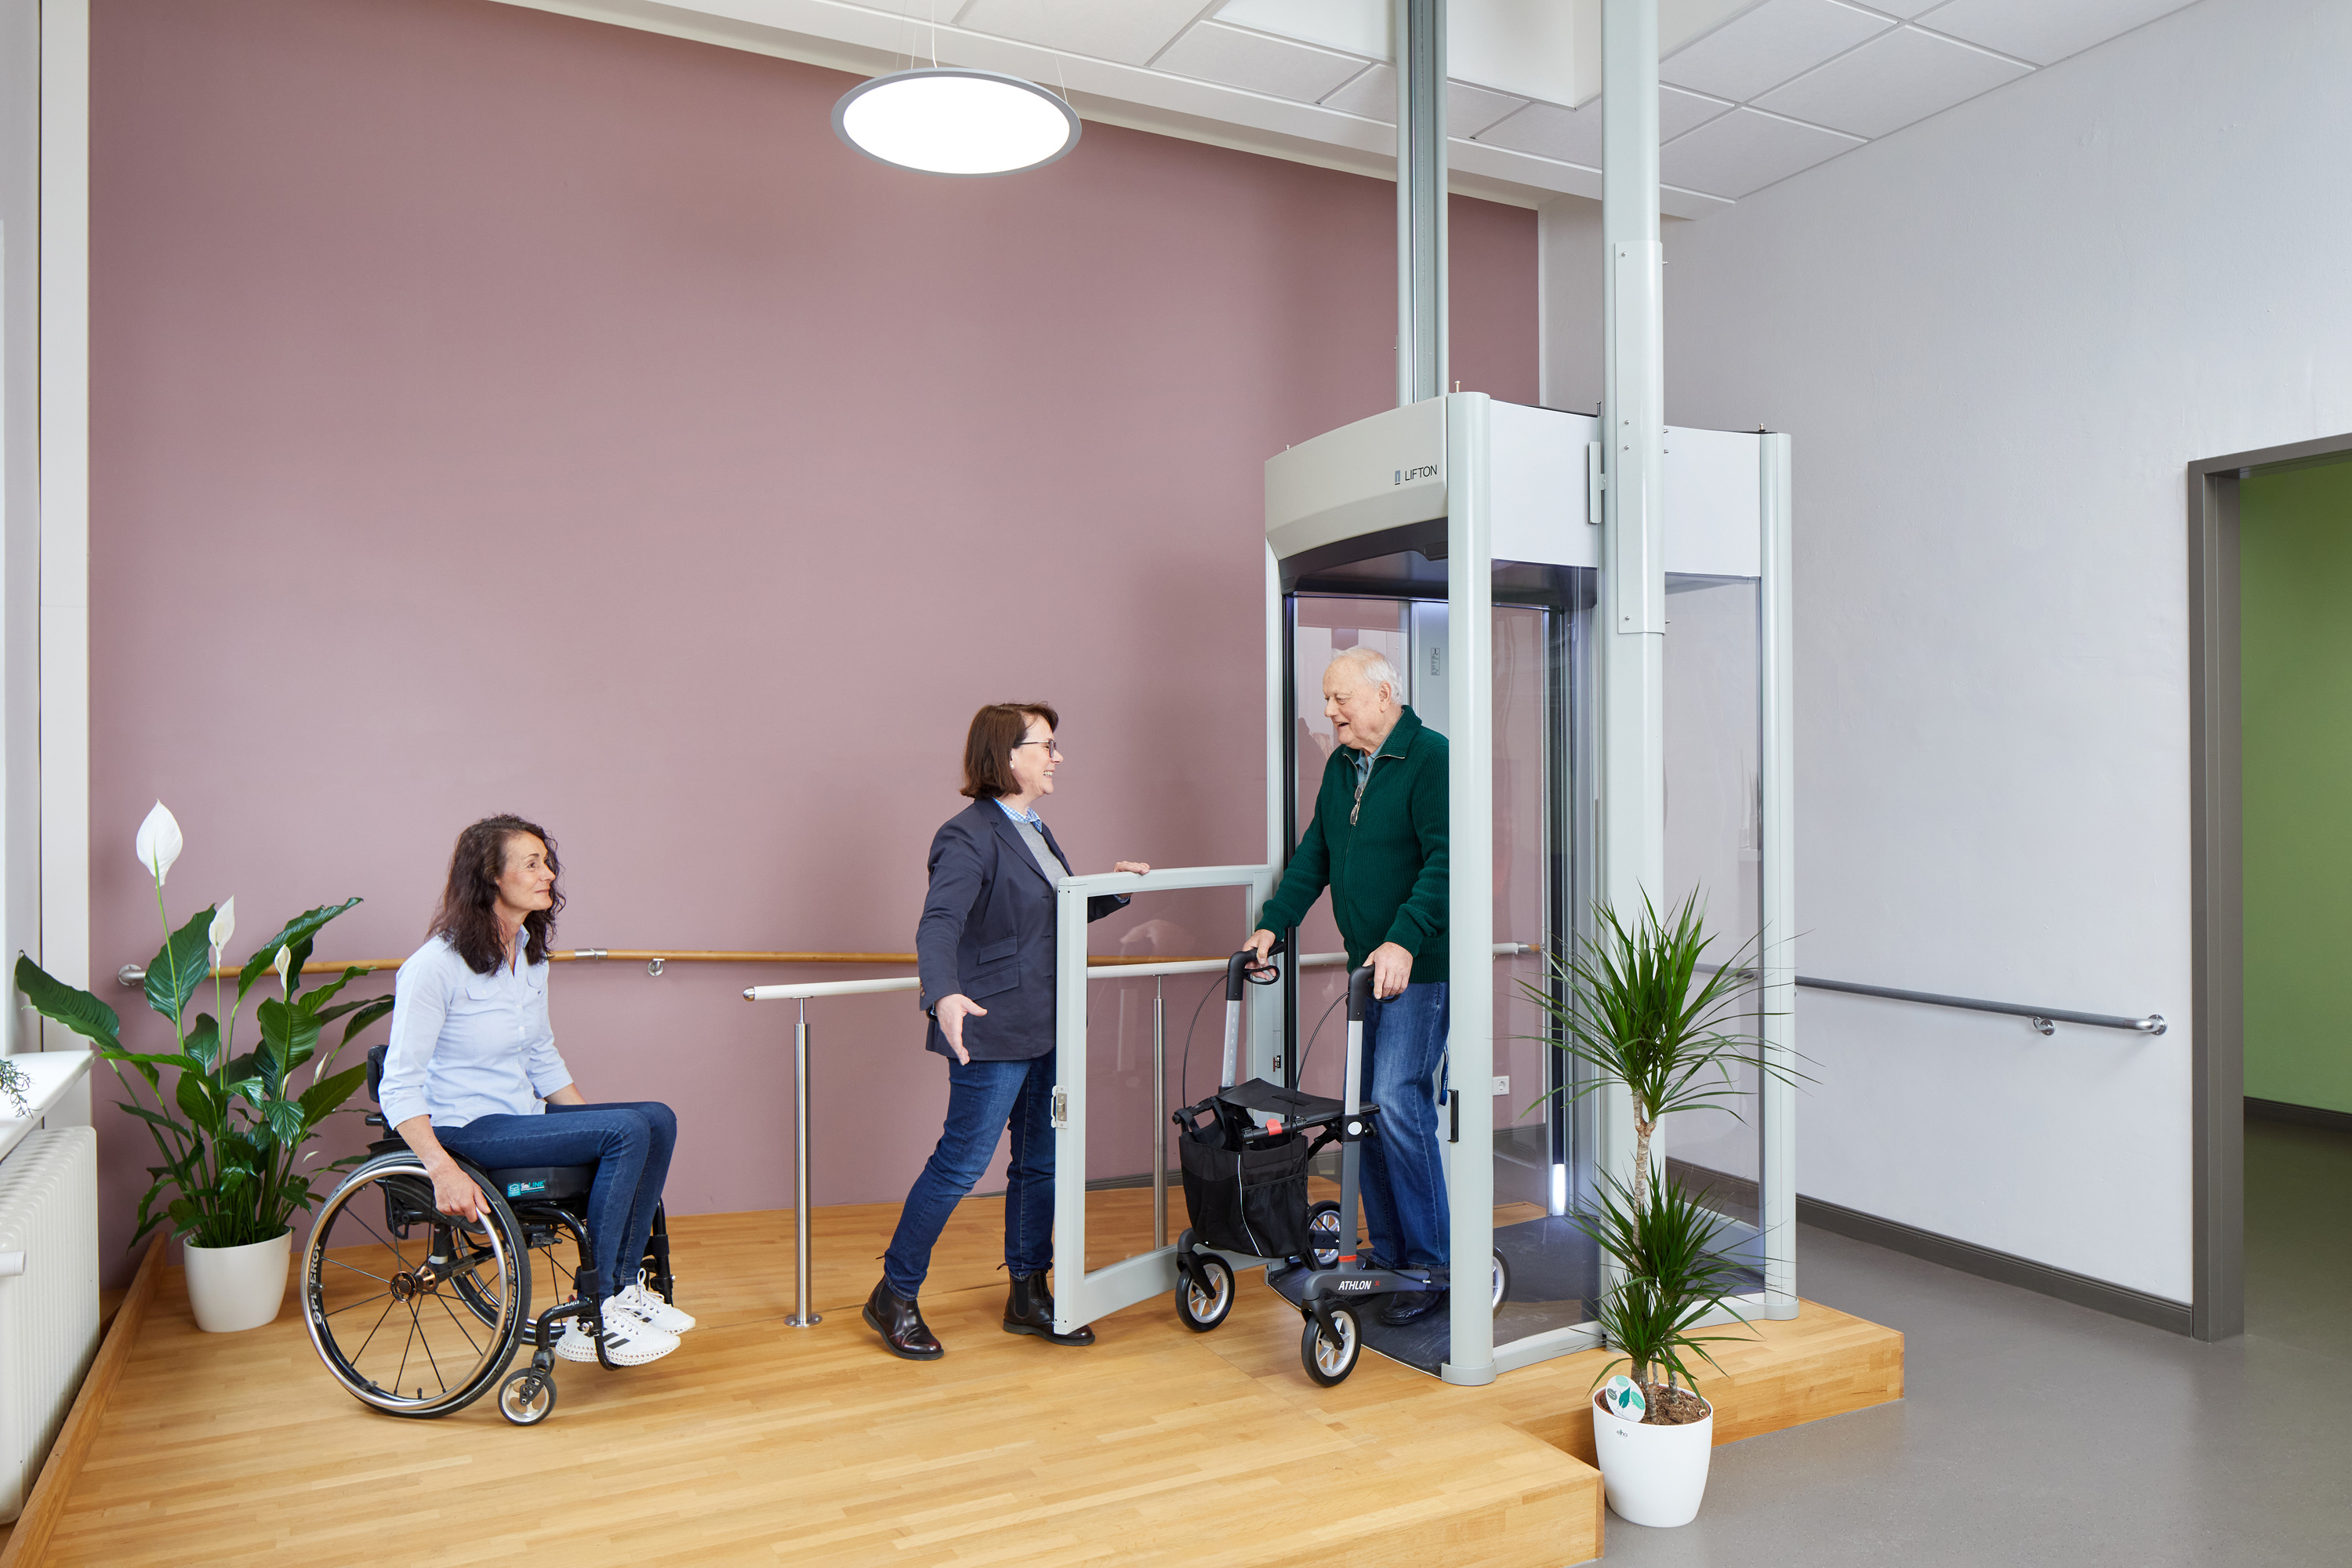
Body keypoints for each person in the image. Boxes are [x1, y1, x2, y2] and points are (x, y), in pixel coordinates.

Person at [864, 703, 1150, 1359]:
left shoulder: (1035, 829)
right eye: (1047, 745)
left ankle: (1028, 1292)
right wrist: (942, 993)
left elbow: (1052, 913)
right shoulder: (966, 836)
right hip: (992, 1029)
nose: (1056, 757)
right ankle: (895, 1293)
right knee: (962, 1164)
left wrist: (1111, 890)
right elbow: (939, 923)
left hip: (1049, 1029)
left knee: (1039, 1162)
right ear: (1009, 756)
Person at [379, 815, 691, 1367]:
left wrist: (591, 1131)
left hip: (518, 1121)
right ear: (491, 877)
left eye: (547, 862)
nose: (548, 874)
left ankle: (619, 1289)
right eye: (532, 863)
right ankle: (600, 1301)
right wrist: (441, 1168)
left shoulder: (526, 956)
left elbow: (541, 1057)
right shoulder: (433, 967)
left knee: (656, 1119)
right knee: (624, 1130)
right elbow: (398, 1084)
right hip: (466, 1130)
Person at [1243, 646, 1451, 1325]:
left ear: (1383, 696)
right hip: (1369, 966)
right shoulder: (1341, 767)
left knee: (1396, 1100)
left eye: (1341, 698)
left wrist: (1405, 937)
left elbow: (1447, 862)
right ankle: (1393, 1259)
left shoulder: (1431, 758)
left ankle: (1432, 1265)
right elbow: (1316, 857)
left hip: (1420, 966)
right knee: (1365, 1110)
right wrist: (1272, 926)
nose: (1328, 711)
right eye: (1328, 700)